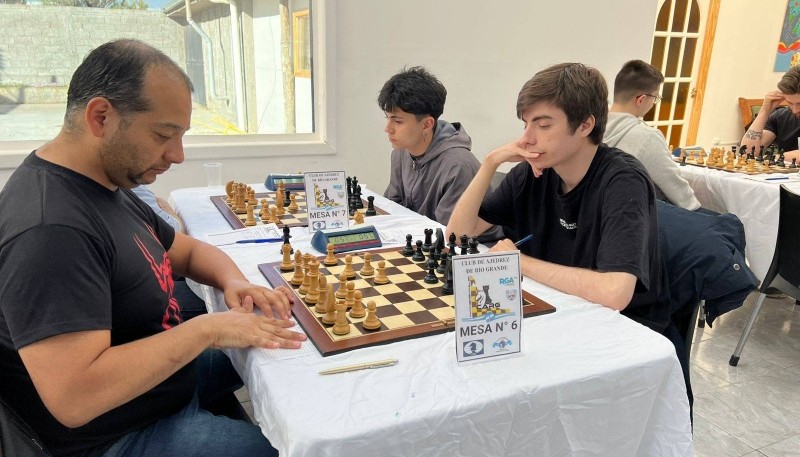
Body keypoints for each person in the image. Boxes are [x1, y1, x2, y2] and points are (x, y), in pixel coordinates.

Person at [0, 39, 306, 457]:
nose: (177, 155)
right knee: (300, 450)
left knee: (291, 350)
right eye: (165, 134)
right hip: (118, 436)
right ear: (101, 116)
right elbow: (74, 399)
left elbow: (191, 253)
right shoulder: (49, 228)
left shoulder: (106, 183)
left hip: (163, 385)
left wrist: (233, 281)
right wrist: (209, 328)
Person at [446, 62, 670, 335]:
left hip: (619, 331)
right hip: (554, 312)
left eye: (543, 125)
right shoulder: (532, 173)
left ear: (586, 125)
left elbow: (615, 292)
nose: (526, 139)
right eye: (526, 124)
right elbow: (456, 236)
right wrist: (490, 163)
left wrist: (518, 262)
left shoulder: (623, 181)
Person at [379, 66, 500, 239]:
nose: (388, 129)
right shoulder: (400, 152)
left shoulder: (458, 164)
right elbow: (394, 206)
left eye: (397, 121)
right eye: (388, 118)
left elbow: (452, 235)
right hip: (421, 240)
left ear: (427, 124)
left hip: (472, 251)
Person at [604, 60, 700, 210]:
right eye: (655, 98)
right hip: (638, 214)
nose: (654, 103)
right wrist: (695, 209)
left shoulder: (590, 127)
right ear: (641, 99)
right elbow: (675, 187)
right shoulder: (646, 137)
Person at [132, 184, 208, 321]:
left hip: (140, 277)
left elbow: (180, 247)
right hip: (135, 301)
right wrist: (168, 210)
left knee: (203, 273)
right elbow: (175, 230)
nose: (177, 161)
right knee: (210, 298)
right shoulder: (130, 190)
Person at [739, 64, 800, 164]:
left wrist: (770, 157)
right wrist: (765, 109)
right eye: (789, 103)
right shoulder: (780, 116)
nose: (795, 110)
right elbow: (747, 152)